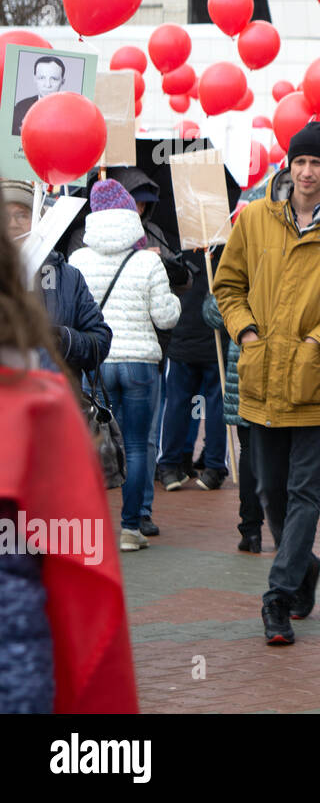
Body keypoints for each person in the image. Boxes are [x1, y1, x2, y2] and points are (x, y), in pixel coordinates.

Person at [213, 121, 320, 646]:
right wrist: (246, 330)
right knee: (267, 492)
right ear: (288, 165)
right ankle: (304, 567)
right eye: (300, 162)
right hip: (262, 380)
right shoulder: (256, 219)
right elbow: (228, 284)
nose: (307, 172)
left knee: (304, 493)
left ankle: (278, 597)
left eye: (317, 163)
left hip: (317, 386)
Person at [0, 230, 138, 713]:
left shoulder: (39, 407)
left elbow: (83, 577)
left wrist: (62, 340)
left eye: (25, 213)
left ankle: (138, 518)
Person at [68, 179, 181, 552]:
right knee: (135, 446)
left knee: (93, 445)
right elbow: (165, 318)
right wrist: (176, 305)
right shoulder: (148, 259)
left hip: (95, 365)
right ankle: (131, 528)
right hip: (139, 365)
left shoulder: (77, 260)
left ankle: (91, 525)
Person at [2, 180, 111, 382]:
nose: (13, 223)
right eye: (5, 216)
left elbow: (100, 342)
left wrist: (63, 339)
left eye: (22, 215)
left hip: (58, 403)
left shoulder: (69, 277)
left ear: (39, 221)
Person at [156, 245, 228, 492]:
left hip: (183, 337)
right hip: (215, 339)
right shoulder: (230, 250)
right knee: (217, 405)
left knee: (176, 404)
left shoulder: (179, 249)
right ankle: (215, 467)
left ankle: (169, 466)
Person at [201, 293, 262, 553]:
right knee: (277, 453)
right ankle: (281, 530)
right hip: (279, 365)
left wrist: (212, 297)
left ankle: (251, 530)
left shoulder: (241, 267)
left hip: (245, 367)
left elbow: (214, 314)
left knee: (249, 452)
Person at [11, 55, 66, 135]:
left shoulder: (71, 112)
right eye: (41, 78)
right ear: (35, 79)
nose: (47, 85)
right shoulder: (20, 108)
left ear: (62, 81)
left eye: (54, 79)